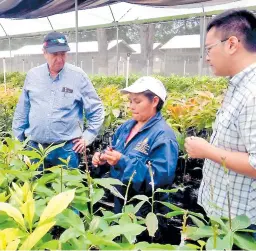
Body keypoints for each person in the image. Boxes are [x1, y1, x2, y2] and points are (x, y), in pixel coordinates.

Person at [185, 9, 256, 229]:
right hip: (223, 215)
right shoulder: (239, 86)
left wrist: (207, 151)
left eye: (209, 49)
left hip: (240, 224)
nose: (206, 58)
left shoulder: (253, 93)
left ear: (232, 44)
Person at [12, 31, 104, 169]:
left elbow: (96, 109)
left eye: (63, 54)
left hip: (66, 150)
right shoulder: (33, 76)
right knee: (34, 188)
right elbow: (22, 111)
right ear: (44, 53)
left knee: (68, 188)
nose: (60, 59)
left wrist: (88, 136)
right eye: (55, 54)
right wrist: (18, 143)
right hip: (34, 148)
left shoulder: (78, 76)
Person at [92, 76, 179, 217]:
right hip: (121, 200)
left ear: (155, 101)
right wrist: (103, 160)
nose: (131, 106)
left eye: (137, 101)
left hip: (145, 211)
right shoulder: (126, 127)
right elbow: (114, 152)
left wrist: (122, 161)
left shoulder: (163, 137)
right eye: (130, 101)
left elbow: (158, 179)